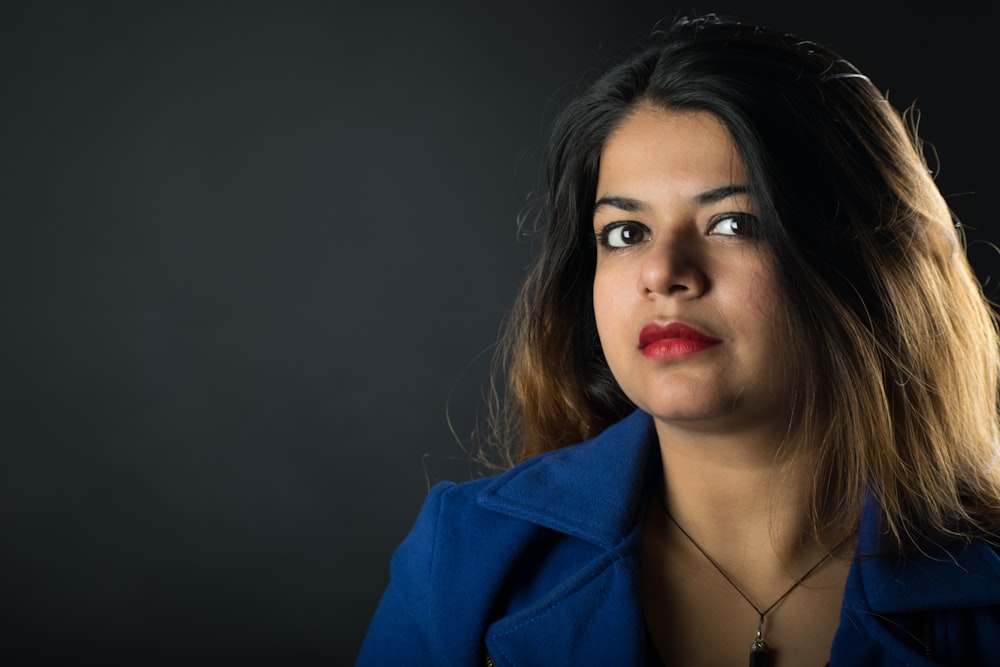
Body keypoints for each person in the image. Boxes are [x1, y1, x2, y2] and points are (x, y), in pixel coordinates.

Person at [357, 15, 1000, 666]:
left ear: (862, 262)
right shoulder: (463, 559)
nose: (663, 272)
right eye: (626, 233)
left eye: (731, 222)